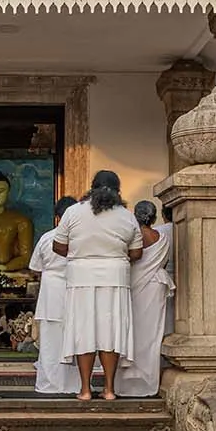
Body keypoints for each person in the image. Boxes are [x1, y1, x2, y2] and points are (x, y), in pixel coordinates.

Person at [52, 170, 143, 401]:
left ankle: (85, 390)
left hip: (81, 278)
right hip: (115, 279)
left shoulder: (73, 212)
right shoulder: (126, 215)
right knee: (110, 333)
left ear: (91, 188)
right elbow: (136, 252)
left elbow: (58, 246)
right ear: (118, 191)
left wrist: (81, 252)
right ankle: (109, 390)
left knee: (85, 332)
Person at [115, 201, 174, 398]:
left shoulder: (131, 235)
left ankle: (126, 384)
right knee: (151, 336)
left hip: (133, 285)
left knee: (129, 332)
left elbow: (128, 258)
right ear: (154, 217)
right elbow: (162, 263)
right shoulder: (162, 237)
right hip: (154, 287)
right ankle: (147, 383)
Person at [28, 196, 81, 395]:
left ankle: (50, 383)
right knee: (74, 340)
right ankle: (73, 384)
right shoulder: (80, 238)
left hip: (51, 291)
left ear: (57, 218)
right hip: (74, 289)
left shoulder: (47, 238)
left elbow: (35, 268)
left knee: (50, 342)